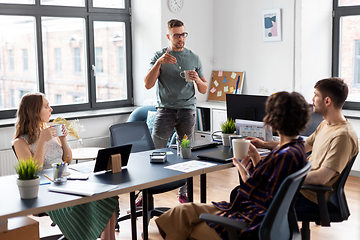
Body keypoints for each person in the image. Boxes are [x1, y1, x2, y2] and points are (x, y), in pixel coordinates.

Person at [155, 91, 311, 240]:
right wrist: (256, 158)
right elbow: (270, 186)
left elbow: (267, 201)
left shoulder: (286, 156)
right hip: (247, 211)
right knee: (182, 212)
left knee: (188, 228)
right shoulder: (294, 149)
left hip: (250, 221)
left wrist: (245, 176)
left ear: (275, 120)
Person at [13, 92, 118, 240]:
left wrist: (63, 139)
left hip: (66, 181)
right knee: (84, 203)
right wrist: (42, 140)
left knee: (106, 194)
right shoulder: (20, 142)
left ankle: (109, 238)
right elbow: (35, 170)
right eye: (46, 106)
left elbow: (67, 160)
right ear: (34, 111)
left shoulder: (51, 130)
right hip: (46, 190)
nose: (51, 109)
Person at [247, 77, 359, 212]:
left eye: (316, 95)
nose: (312, 99)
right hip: (298, 188)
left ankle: (258, 229)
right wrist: (264, 145)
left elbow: (321, 178)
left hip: (310, 197)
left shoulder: (343, 136)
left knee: (245, 193)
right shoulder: (326, 124)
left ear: (327, 101)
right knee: (248, 183)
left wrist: (283, 177)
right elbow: (300, 145)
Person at [144, 19, 208, 203]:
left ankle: (183, 193)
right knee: (156, 151)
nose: (180, 38)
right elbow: (148, 84)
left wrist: (197, 79)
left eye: (183, 34)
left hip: (187, 110)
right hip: (165, 110)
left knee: (185, 152)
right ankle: (148, 194)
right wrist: (159, 63)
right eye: (176, 35)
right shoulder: (159, 56)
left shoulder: (194, 58)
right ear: (168, 36)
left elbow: (204, 89)